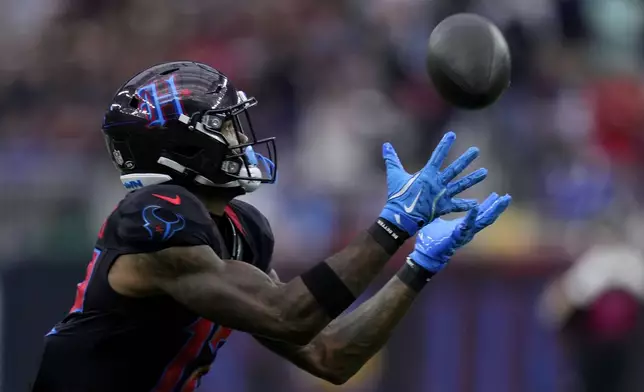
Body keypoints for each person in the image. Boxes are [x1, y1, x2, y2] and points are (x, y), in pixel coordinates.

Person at [32, 61, 511, 392]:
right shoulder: (155, 213)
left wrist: (417, 266)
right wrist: (392, 226)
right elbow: (289, 314)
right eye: (226, 127)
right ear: (183, 148)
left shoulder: (242, 228)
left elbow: (331, 356)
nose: (243, 139)